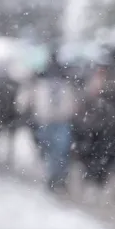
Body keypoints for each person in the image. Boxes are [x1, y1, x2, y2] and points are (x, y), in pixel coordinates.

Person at [28, 59, 77, 193]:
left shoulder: (66, 88)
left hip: (62, 122)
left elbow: (71, 105)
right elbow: (34, 104)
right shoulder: (41, 87)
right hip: (45, 123)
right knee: (49, 151)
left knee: (61, 151)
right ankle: (52, 177)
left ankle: (59, 178)